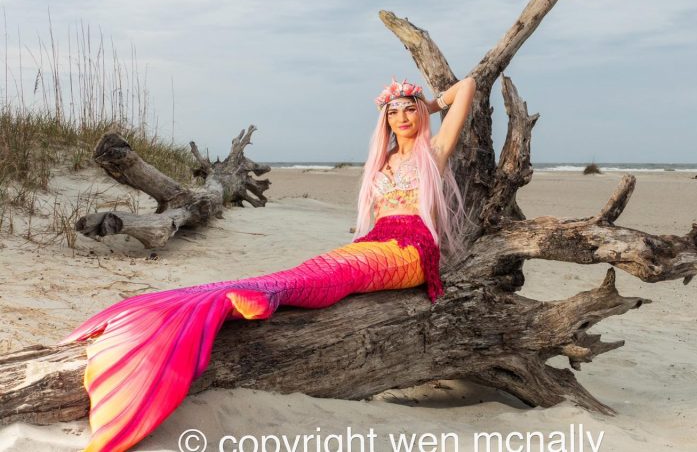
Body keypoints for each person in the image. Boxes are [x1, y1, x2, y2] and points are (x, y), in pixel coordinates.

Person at [61, 76, 476, 452]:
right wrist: (410, 104)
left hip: (410, 251)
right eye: (393, 110)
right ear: (384, 119)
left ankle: (258, 298)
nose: (402, 117)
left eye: (409, 110)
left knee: (337, 275)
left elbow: (469, 85)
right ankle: (232, 297)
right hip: (374, 242)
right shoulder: (381, 162)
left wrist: (427, 104)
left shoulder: (433, 151)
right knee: (312, 269)